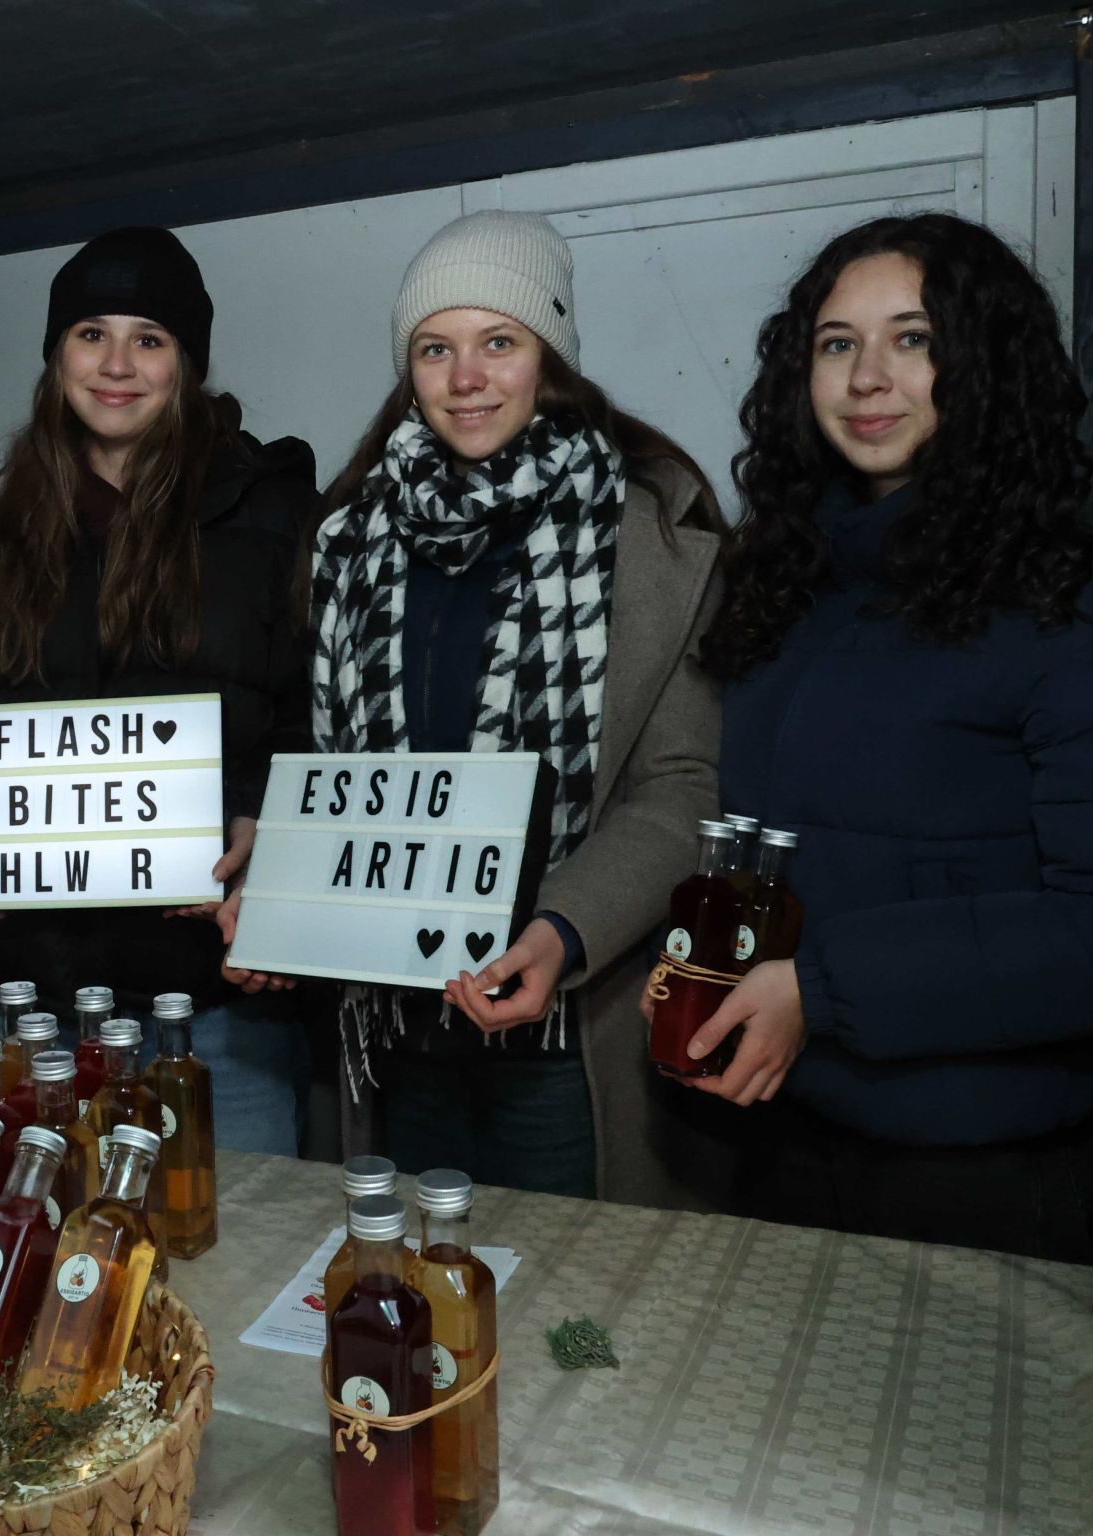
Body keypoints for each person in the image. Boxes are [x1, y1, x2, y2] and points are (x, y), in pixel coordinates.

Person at [679, 213, 1093, 1262]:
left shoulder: (1066, 589)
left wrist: (818, 986)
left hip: (974, 1165)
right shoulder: (786, 583)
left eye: (914, 338)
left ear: (982, 364)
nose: (865, 377)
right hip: (779, 1134)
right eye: (836, 343)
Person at [302, 210, 725, 1201]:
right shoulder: (348, 540)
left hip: (563, 1034)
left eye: (499, 341)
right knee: (411, 1306)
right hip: (397, 1033)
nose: (465, 378)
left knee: (569, 1326)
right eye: (434, 348)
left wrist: (559, 931)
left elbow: (677, 788)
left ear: (550, 356)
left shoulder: (654, 533)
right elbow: (324, 778)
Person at [0, 226, 320, 1155]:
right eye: (92, 333)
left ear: (188, 364)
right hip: (32, 1000)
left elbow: (319, 709)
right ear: (57, 356)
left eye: (151, 338)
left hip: (209, 1000)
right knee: (47, 1268)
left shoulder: (272, 514)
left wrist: (268, 825)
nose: (118, 364)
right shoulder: (0, 528)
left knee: (232, 1259)